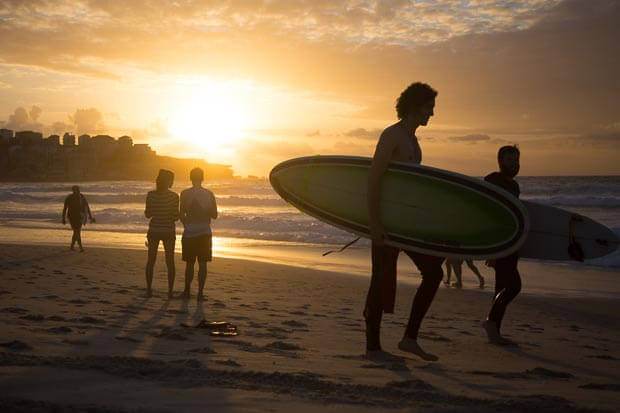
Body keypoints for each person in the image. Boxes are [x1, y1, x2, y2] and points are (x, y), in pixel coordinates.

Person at [365, 82, 444, 361]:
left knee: (434, 273)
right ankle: (372, 347)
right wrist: (375, 223)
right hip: (387, 223)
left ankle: (409, 338)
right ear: (414, 106)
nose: (432, 114)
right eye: (428, 107)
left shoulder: (413, 141)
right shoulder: (392, 135)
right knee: (380, 280)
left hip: (406, 223)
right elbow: (374, 179)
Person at [482, 145, 521, 345]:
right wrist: (492, 248)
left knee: (502, 286)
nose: (514, 164)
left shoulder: (515, 186)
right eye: (509, 160)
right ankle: (491, 323)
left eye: (516, 160)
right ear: (500, 161)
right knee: (514, 286)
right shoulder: (492, 180)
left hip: (512, 243)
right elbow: (487, 213)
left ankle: (494, 330)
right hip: (500, 243)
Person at [180, 167, 218, 301]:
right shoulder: (209, 194)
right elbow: (214, 215)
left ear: (190, 178)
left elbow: (181, 214)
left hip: (189, 232)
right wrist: (205, 209)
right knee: (203, 264)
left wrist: (187, 225)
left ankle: (186, 291)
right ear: (202, 178)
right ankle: (200, 294)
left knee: (189, 264)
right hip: (204, 233)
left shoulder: (184, 193)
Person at [145, 169, 179, 298]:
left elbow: (148, 214)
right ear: (169, 181)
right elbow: (176, 217)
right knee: (170, 261)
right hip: (168, 230)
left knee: (151, 261)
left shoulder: (151, 195)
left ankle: (149, 290)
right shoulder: (174, 196)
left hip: (154, 230)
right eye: (172, 180)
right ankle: (170, 292)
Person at [62, 185, 95, 252]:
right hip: (71, 217)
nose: (78, 191)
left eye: (78, 190)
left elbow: (87, 207)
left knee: (77, 231)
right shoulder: (69, 198)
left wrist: (90, 216)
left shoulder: (82, 197)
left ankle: (73, 246)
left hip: (80, 216)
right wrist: (63, 218)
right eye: (77, 190)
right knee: (77, 231)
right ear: (73, 191)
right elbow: (65, 209)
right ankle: (80, 247)